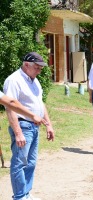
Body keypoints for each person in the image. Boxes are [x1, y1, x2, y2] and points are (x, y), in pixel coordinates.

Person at [3, 52, 55, 200]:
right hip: (23, 126)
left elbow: (40, 103)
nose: (39, 71)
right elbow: (10, 107)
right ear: (26, 65)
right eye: (37, 68)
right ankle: (19, 197)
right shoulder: (14, 80)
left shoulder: (35, 81)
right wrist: (18, 132)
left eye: (40, 68)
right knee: (20, 163)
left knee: (31, 163)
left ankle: (26, 193)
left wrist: (49, 125)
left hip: (35, 127)